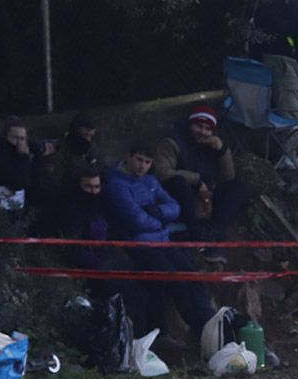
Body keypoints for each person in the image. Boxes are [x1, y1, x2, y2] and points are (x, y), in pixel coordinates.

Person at [105, 142, 215, 336]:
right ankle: (200, 327)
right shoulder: (116, 185)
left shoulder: (150, 181)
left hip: (162, 240)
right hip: (137, 243)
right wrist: (162, 221)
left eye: (147, 162)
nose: (142, 166)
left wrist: (157, 212)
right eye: (139, 160)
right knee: (174, 279)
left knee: (192, 274)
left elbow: (174, 206)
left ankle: (210, 321)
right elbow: (135, 218)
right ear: (128, 157)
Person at [60, 168, 152, 335]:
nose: (93, 192)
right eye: (88, 187)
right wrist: (102, 266)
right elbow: (72, 248)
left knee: (143, 287)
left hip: (107, 260)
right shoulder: (71, 210)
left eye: (97, 187)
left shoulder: (102, 207)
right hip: (89, 269)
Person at [151, 107, 248, 241]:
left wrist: (222, 152)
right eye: (199, 126)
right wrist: (197, 181)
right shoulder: (172, 142)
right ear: (190, 125)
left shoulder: (210, 145)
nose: (203, 132)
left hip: (205, 197)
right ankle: (195, 229)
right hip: (179, 196)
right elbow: (161, 172)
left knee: (237, 188)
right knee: (178, 183)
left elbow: (227, 178)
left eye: (207, 129)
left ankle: (213, 231)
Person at [0, 118, 54, 198]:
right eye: (14, 138)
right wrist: (24, 156)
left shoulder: (17, 154)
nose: (19, 142)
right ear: (5, 137)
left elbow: (34, 180)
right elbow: (18, 183)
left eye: (22, 138)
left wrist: (38, 154)